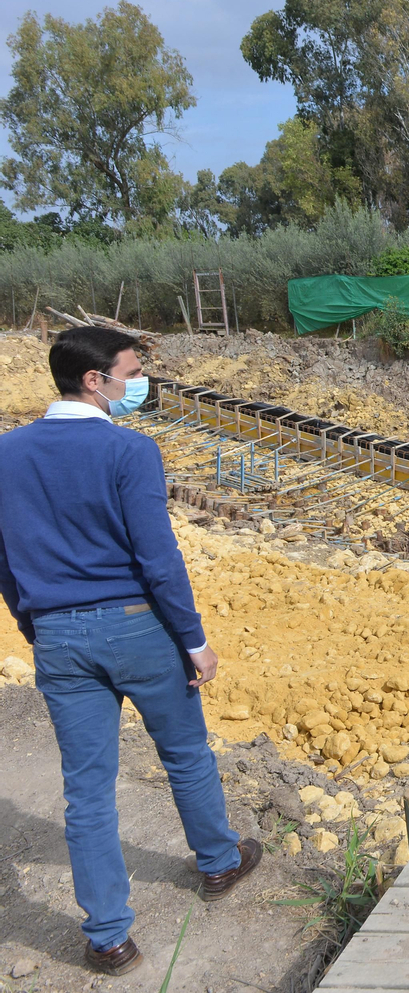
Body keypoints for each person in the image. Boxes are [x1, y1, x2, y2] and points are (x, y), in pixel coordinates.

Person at [0, 327, 260, 977]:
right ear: (95, 380)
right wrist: (194, 641)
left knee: (86, 791)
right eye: (132, 370)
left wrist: (39, 629)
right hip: (138, 627)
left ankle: (109, 938)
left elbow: (5, 562)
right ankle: (220, 863)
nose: (138, 381)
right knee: (185, 754)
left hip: (59, 635)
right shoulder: (130, 451)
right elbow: (158, 559)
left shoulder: (6, 455)